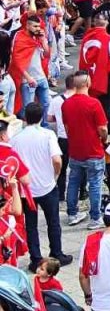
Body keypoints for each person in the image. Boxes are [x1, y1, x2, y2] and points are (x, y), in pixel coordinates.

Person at [10, 101, 70, 269]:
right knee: (53, 221)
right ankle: (56, 253)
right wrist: (55, 174)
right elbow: (57, 159)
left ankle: (35, 258)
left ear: (25, 118)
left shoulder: (16, 139)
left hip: (25, 190)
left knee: (31, 225)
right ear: (41, 117)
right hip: (46, 184)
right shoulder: (48, 135)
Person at [62, 70, 107, 229]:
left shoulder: (66, 104)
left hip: (75, 150)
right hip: (93, 150)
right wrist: (103, 139)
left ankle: (72, 214)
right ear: (88, 83)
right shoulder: (94, 103)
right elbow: (102, 128)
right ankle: (95, 217)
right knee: (95, 184)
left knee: (73, 182)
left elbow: (67, 127)